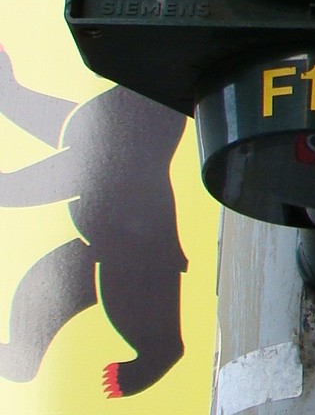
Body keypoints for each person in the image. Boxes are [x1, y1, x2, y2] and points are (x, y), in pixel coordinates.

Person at [0, 46, 186, 396]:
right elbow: (74, 130)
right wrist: (9, 93)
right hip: (102, 242)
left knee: (142, 318)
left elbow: (85, 163)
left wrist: (8, 187)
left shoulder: (148, 107)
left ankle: (154, 358)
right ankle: (23, 354)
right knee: (45, 286)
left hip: (136, 249)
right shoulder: (126, 104)